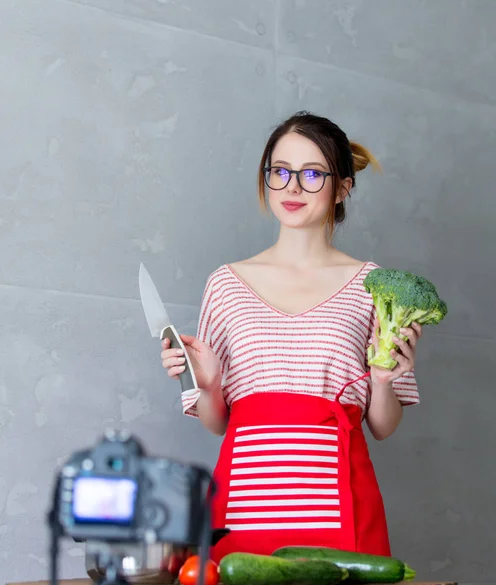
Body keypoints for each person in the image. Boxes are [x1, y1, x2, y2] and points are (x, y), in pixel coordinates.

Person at [161, 111, 423, 562]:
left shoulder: (373, 286)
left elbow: (382, 427)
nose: (292, 188)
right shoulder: (225, 284)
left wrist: (382, 382)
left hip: (342, 505)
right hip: (244, 507)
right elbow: (218, 422)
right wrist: (207, 387)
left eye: (312, 174)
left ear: (343, 187)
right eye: (280, 172)